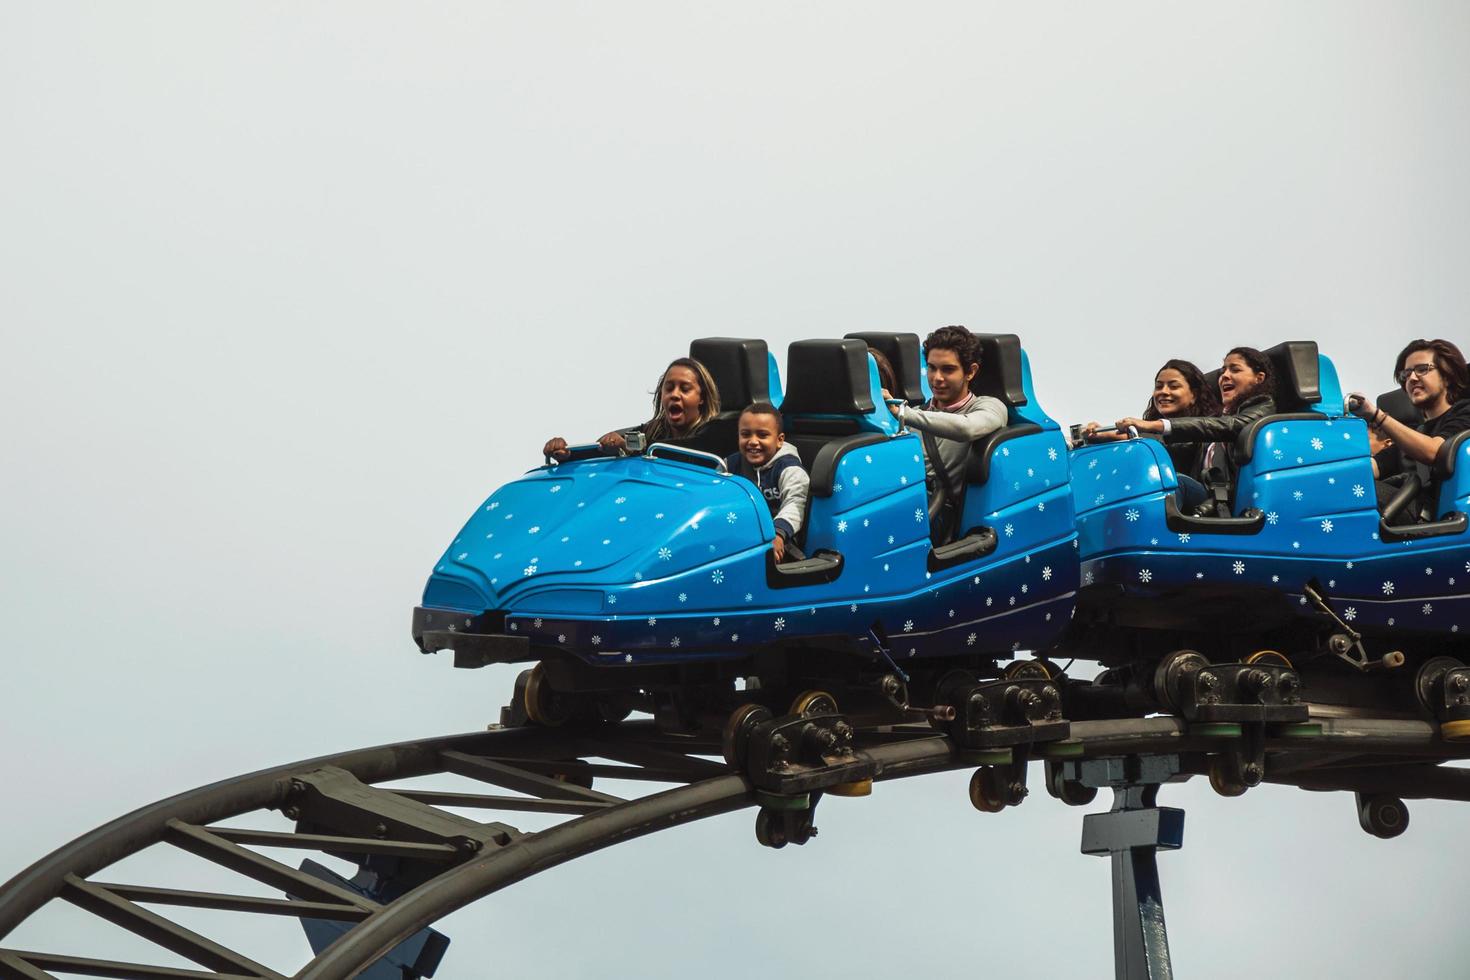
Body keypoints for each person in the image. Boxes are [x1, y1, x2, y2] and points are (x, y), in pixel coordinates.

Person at [882, 325, 1007, 541]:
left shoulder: (989, 407)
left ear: (971, 371)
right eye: (931, 368)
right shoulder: (915, 413)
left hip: (939, 516)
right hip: (905, 501)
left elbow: (966, 428)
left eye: (948, 370)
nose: (936, 378)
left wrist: (903, 413)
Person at [1117, 347, 1276, 514]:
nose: (1224, 376)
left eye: (1234, 369)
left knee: (1174, 482)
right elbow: (1174, 445)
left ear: (1259, 378)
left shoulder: (1263, 405)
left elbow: (1230, 426)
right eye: (1223, 371)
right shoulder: (1219, 418)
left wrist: (1156, 425)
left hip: (1229, 500)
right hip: (1208, 496)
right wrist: (1106, 436)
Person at [1347, 339, 1470, 521]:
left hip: (1440, 521)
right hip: (1409, 523)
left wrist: (1376, 415)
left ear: (1447, 376)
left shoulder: (1465, 412)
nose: (1412, 379)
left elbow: (1435, 451)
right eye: (1406, 374)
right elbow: (1367, 468)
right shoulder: (1410, 439)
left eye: (1422, 369)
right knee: (1342, 484)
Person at [543, 358, 721, 459]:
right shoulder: (653, 431)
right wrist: (567, 454)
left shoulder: (717, 432)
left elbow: (693, 449)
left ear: (702, 398)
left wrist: (632, 447)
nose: (674, 395)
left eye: (685, 389)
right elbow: (603, 450)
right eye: (669, 388)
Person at [1083, 359, 1221, 479]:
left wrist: (1111, 435)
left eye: (1174, 386)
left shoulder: (1207, 428)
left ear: (1194, 395)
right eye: (1159, 386)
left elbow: (1178, 445)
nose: (1164, 392)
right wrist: (1093, 436)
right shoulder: (1150, 432)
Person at [723, 403, 810, 563]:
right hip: (740, 537)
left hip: (779, 542)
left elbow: (795, 504)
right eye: (746, 434)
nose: (753, 441)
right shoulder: (729, 464)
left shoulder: (789, 469)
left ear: (779, 440)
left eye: (762, 435)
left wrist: (777, 534)